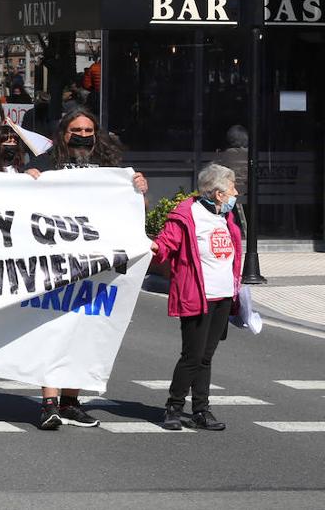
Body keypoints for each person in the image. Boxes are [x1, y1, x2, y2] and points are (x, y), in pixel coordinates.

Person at [26, 108, 148, 430]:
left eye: (88, 129)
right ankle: (49, 403)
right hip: (56, 262)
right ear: (63, 133)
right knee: (52, 328)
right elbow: (19, 201)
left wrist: (138, 189)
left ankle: (70, 402)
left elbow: (132, 208)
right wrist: (28, 182)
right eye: (76, 130)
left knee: (85, 330)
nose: (82, 135)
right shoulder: (45, 164)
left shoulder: (110, 168)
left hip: (96, 264)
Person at [151, 163, 242, 432]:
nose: (236, 193)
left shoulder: (225, 217)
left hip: (224, 296)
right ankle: (174, 407)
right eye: (232, 188)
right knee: (192, 355)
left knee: (206, 356)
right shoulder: (187, 215)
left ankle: (201, 410)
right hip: (198, 296)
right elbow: (167, 243)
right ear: (218, 194)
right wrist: (153, 246)